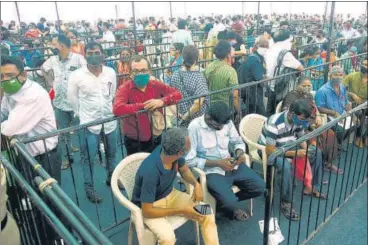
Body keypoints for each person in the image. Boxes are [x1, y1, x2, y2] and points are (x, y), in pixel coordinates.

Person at [132, 128, 220, 245]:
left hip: (170, 195)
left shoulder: (172, 154)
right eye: (189, 144)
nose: (191, 145)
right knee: (168, 238)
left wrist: (196, 184)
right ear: (180, 152)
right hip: (150, 207)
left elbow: (184, 171)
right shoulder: (150, 172)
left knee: (207, 212)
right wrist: (181, 210)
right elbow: (147, 211)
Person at [186, 102, 265, 221]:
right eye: (218, 126)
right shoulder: (194, 128)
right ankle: (229, 205)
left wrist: (240, 153)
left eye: (223, 125)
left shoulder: (226, 122)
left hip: (232, 165)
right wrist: (217, 163)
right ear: (208, 117)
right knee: (230, 202)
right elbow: (189, 160)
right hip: (211, 172)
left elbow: (238, 141)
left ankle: (221, 205)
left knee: (260, 187)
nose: (221, 128)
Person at [259, 99, 327, 221]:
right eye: (302, 119)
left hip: (288, 145)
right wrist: (295, 153)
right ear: (292, 114)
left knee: (316, 152)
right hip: (270, 150)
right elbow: (270, 150)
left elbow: (300, 139)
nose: (303, 123)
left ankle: (310, 186)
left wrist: (306, 151)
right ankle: (286, 202)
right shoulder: (274, 123)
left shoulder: (299, 121)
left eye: (305, 120)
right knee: (285, 166)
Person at [67, 42, 117, 203]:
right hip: (89, 123)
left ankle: (112, 178)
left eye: (96, 52)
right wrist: (82, 115)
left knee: (112, 152)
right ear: (85, 54)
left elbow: (112, 93)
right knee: (87, 157)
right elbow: (73, 99)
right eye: (90, 53)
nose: (93, 55)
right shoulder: (76, 76)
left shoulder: (110, 72)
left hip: (109, 120)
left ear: (102, 54)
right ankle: (89, 188)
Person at [112, 55, 182, 155]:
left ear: (149, 71)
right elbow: (117, 109)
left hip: (156, 136)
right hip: (135, 141)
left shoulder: (155, 84)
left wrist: (162, 101)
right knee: (137, 168)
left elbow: (177, 94)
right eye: (136, 71)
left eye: (144, 70)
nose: (140, 73)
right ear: (130, 74)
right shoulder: (124, 88)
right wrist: (144, 106)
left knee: (156, 164)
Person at [41, 34, 86, 169]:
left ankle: (86, 157)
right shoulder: (53, 60)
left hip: (76, 102)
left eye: (54, 44)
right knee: (62, 133)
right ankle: (67, 157)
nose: (53, 47)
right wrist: (51, 82)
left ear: (61, 46)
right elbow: (43, 69)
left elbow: (86, 73)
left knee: (82, 130)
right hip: (60, 102)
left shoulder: (78, 59)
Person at [282, 75, 342, 175]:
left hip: (313, 122)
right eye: (304, 85)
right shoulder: (291, 96)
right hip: (300, 126)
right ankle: (314, 168)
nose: (307, 88)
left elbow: (314, 106)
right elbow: (287, 112)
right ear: (298, 85)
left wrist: (318, 115)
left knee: (330, 135)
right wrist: (308, 124)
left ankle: (327, 162)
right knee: (316, 141)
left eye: (309, 85)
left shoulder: (309, 95)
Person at [265, 30, 304, 116]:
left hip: (271, 85)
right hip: (281, 88)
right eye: (290, 41)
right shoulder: (285, 54)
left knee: (270, 111)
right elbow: (301, 67)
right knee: (280, 112)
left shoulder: (270, 49)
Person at [171, 45, 208, 127]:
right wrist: (185, 117)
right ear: (196, 60)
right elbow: (198, 103)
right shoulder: (199, 76)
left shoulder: (175, 74)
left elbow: (172, 98)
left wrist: (178, 114)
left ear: (183, 57)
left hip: (181, 115)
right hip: (197, 119)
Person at [315, 66, 354, 145]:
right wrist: (334, 113)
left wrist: (349, 109)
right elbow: (319, 108)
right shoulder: (322, 91)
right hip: (329, 116)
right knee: (340, 131)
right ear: (330, 76)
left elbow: (346, 102)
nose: (338, 77)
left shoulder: (342, 87)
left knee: (355, 124)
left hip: (342, 114)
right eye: (335, 75)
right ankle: (336, 144)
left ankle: (338, 143)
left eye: (340, 75)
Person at [204, 40, 240, 120]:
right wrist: (239, 111)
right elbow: (235, 96)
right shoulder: (230, 71)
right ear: (228, 54)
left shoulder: (209, 66)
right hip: (225, 109)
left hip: (210, 107)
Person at [237, 36, 269, 116]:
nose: (266, 48)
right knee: (259, 115)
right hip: (253, 94)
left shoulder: (253, 56)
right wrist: (266, 78)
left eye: (266, 46)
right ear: (257, 46)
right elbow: (261, 81)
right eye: (263, 46)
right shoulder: (255, 60)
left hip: (248, 91)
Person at [343, 60, 368, 147]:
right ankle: (358, 137)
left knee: (364, 110)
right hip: (351, 103)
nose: (363, 66)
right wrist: (352, 94)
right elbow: (341, 89)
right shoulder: (352, 75)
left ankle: (365, 136)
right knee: (361, 113)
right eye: (363, 64)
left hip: (365, 103)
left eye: (366, 65)